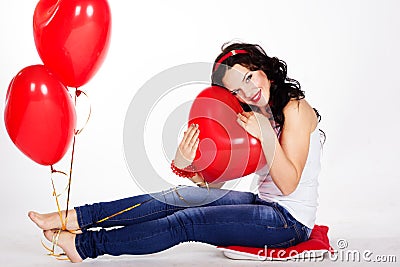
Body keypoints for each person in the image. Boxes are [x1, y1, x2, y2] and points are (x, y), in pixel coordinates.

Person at [28, 42, 324, 263]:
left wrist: (264, 133)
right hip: (262, 204)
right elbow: (215, 186)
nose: (247, 93)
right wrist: (187, 165)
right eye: (236, 92)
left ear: (264, 69)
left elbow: (289, 184)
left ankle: (86, 247)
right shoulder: (252, 114)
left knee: (187, 222)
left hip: (289, 223)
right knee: (177, 198)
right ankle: (75, 217)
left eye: (249, 78)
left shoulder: (295, 109)